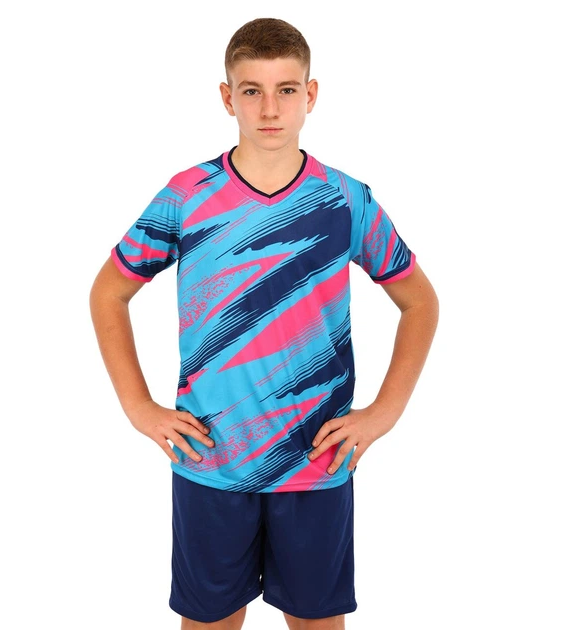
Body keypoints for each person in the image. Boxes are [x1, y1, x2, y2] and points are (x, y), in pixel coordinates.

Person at [89, 16, 439, 630]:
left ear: (311, 94)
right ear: (228, 98)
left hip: (315, 460)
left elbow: (420, 302)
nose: (270, 108)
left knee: (316, 622)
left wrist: (385, 412)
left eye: (286, 89)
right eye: (252, 90)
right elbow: (109, 292)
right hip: (211, 457)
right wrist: (138, 407)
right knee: (210, 621)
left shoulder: (344, 198)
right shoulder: (187, 195)